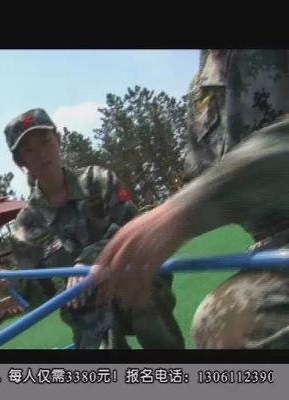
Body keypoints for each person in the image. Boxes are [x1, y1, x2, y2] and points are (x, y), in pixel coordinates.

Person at [93, 50, 289, 349]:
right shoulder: (202, 86)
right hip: (277, 243)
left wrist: (187, 209)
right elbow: (198, 174)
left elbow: (197, 196)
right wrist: (138, 241)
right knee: (221, 322)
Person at [0, 108, 184, 349]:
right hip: (87, 311)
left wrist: (91, 261)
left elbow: (133, 229)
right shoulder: (25, 226)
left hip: (132, 281)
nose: (41, 154)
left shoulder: (99, 181)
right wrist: (14, 284)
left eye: (45, 141)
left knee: (147, 300)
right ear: (20, 162)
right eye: (29, 150)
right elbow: (43, 295)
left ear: (58, 140)